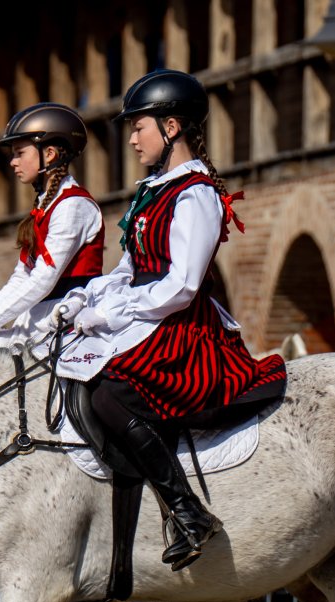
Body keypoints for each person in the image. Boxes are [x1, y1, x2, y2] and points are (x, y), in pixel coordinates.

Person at [48, 69, 286, 571]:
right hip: (148, 318)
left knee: (110, 391)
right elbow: (130, 268)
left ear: (172, 127)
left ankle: (186, 511)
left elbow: (181, 284)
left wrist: (111, 313)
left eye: (140, 127)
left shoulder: (196, 194)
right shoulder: (153, 189)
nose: (132, 138)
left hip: (185, 332)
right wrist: (82, 297)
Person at [0, 103, 103, 349]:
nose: (12, 162)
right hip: (39, 318)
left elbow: (44, 278)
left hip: (69, 323)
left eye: (19, 153)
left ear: (51, 154)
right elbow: (22, 276)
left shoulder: (73, 205)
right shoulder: (46, 206)